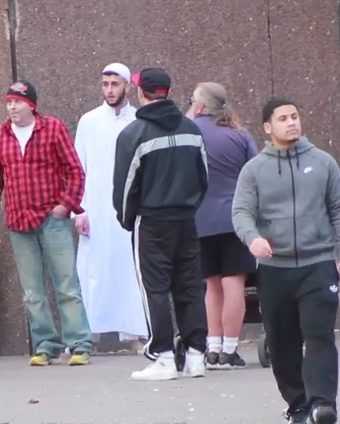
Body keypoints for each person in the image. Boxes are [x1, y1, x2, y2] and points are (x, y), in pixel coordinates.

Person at [232, 98, 340, 424]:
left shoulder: (323, 163)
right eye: (284, 118)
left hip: (318, 263)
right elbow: (241, 212)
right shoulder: (254, 170)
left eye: (295, 116)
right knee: (282, 341)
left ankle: (322, 404)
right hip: (275, 269)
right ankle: (298, 404)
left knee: (318, 334)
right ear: (267, 127)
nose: (292, 123)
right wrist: (253, 238)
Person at [0, 80, 92, 366]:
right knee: (31, 292)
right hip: (18, 224)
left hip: (51, 220)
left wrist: (65, 206)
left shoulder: (52, 128)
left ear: (31, 105)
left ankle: (79, 344)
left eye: (17, 102)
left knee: (67, 284)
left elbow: (75, 171)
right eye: (8, 102)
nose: (12, 107)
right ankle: (45, 345)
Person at [112, 67, 209, 381]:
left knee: (154, 289)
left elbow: (124, 188)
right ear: (167, 91)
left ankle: (163, 356)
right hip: (186, 220)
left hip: (151, 221)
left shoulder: (133, 134)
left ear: (141, 93)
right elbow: (203, 178)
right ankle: (196, 357)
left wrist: (128, 220)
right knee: (190, 288)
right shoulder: (191, 130)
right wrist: (189, 206)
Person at [74, 63, 148, 352]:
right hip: (95, 209)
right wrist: (78, 210)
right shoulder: (89, 121)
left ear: (127, 86)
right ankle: (86, 335)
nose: (109, 90)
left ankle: (136, 333)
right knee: (92, 270)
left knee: (131, 269)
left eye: (115, 84)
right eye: (105, 84)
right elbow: (78, 167)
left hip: (130, 209)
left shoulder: (139, 120)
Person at [186, 82, 258, 370]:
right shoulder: (239, 134)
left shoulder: (190, 133)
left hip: (199, 220)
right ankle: (230, 349)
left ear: (200, 106)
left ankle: (212, 348)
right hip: (235, 219)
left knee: (212, 285)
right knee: (234, 284)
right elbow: (256, 171)